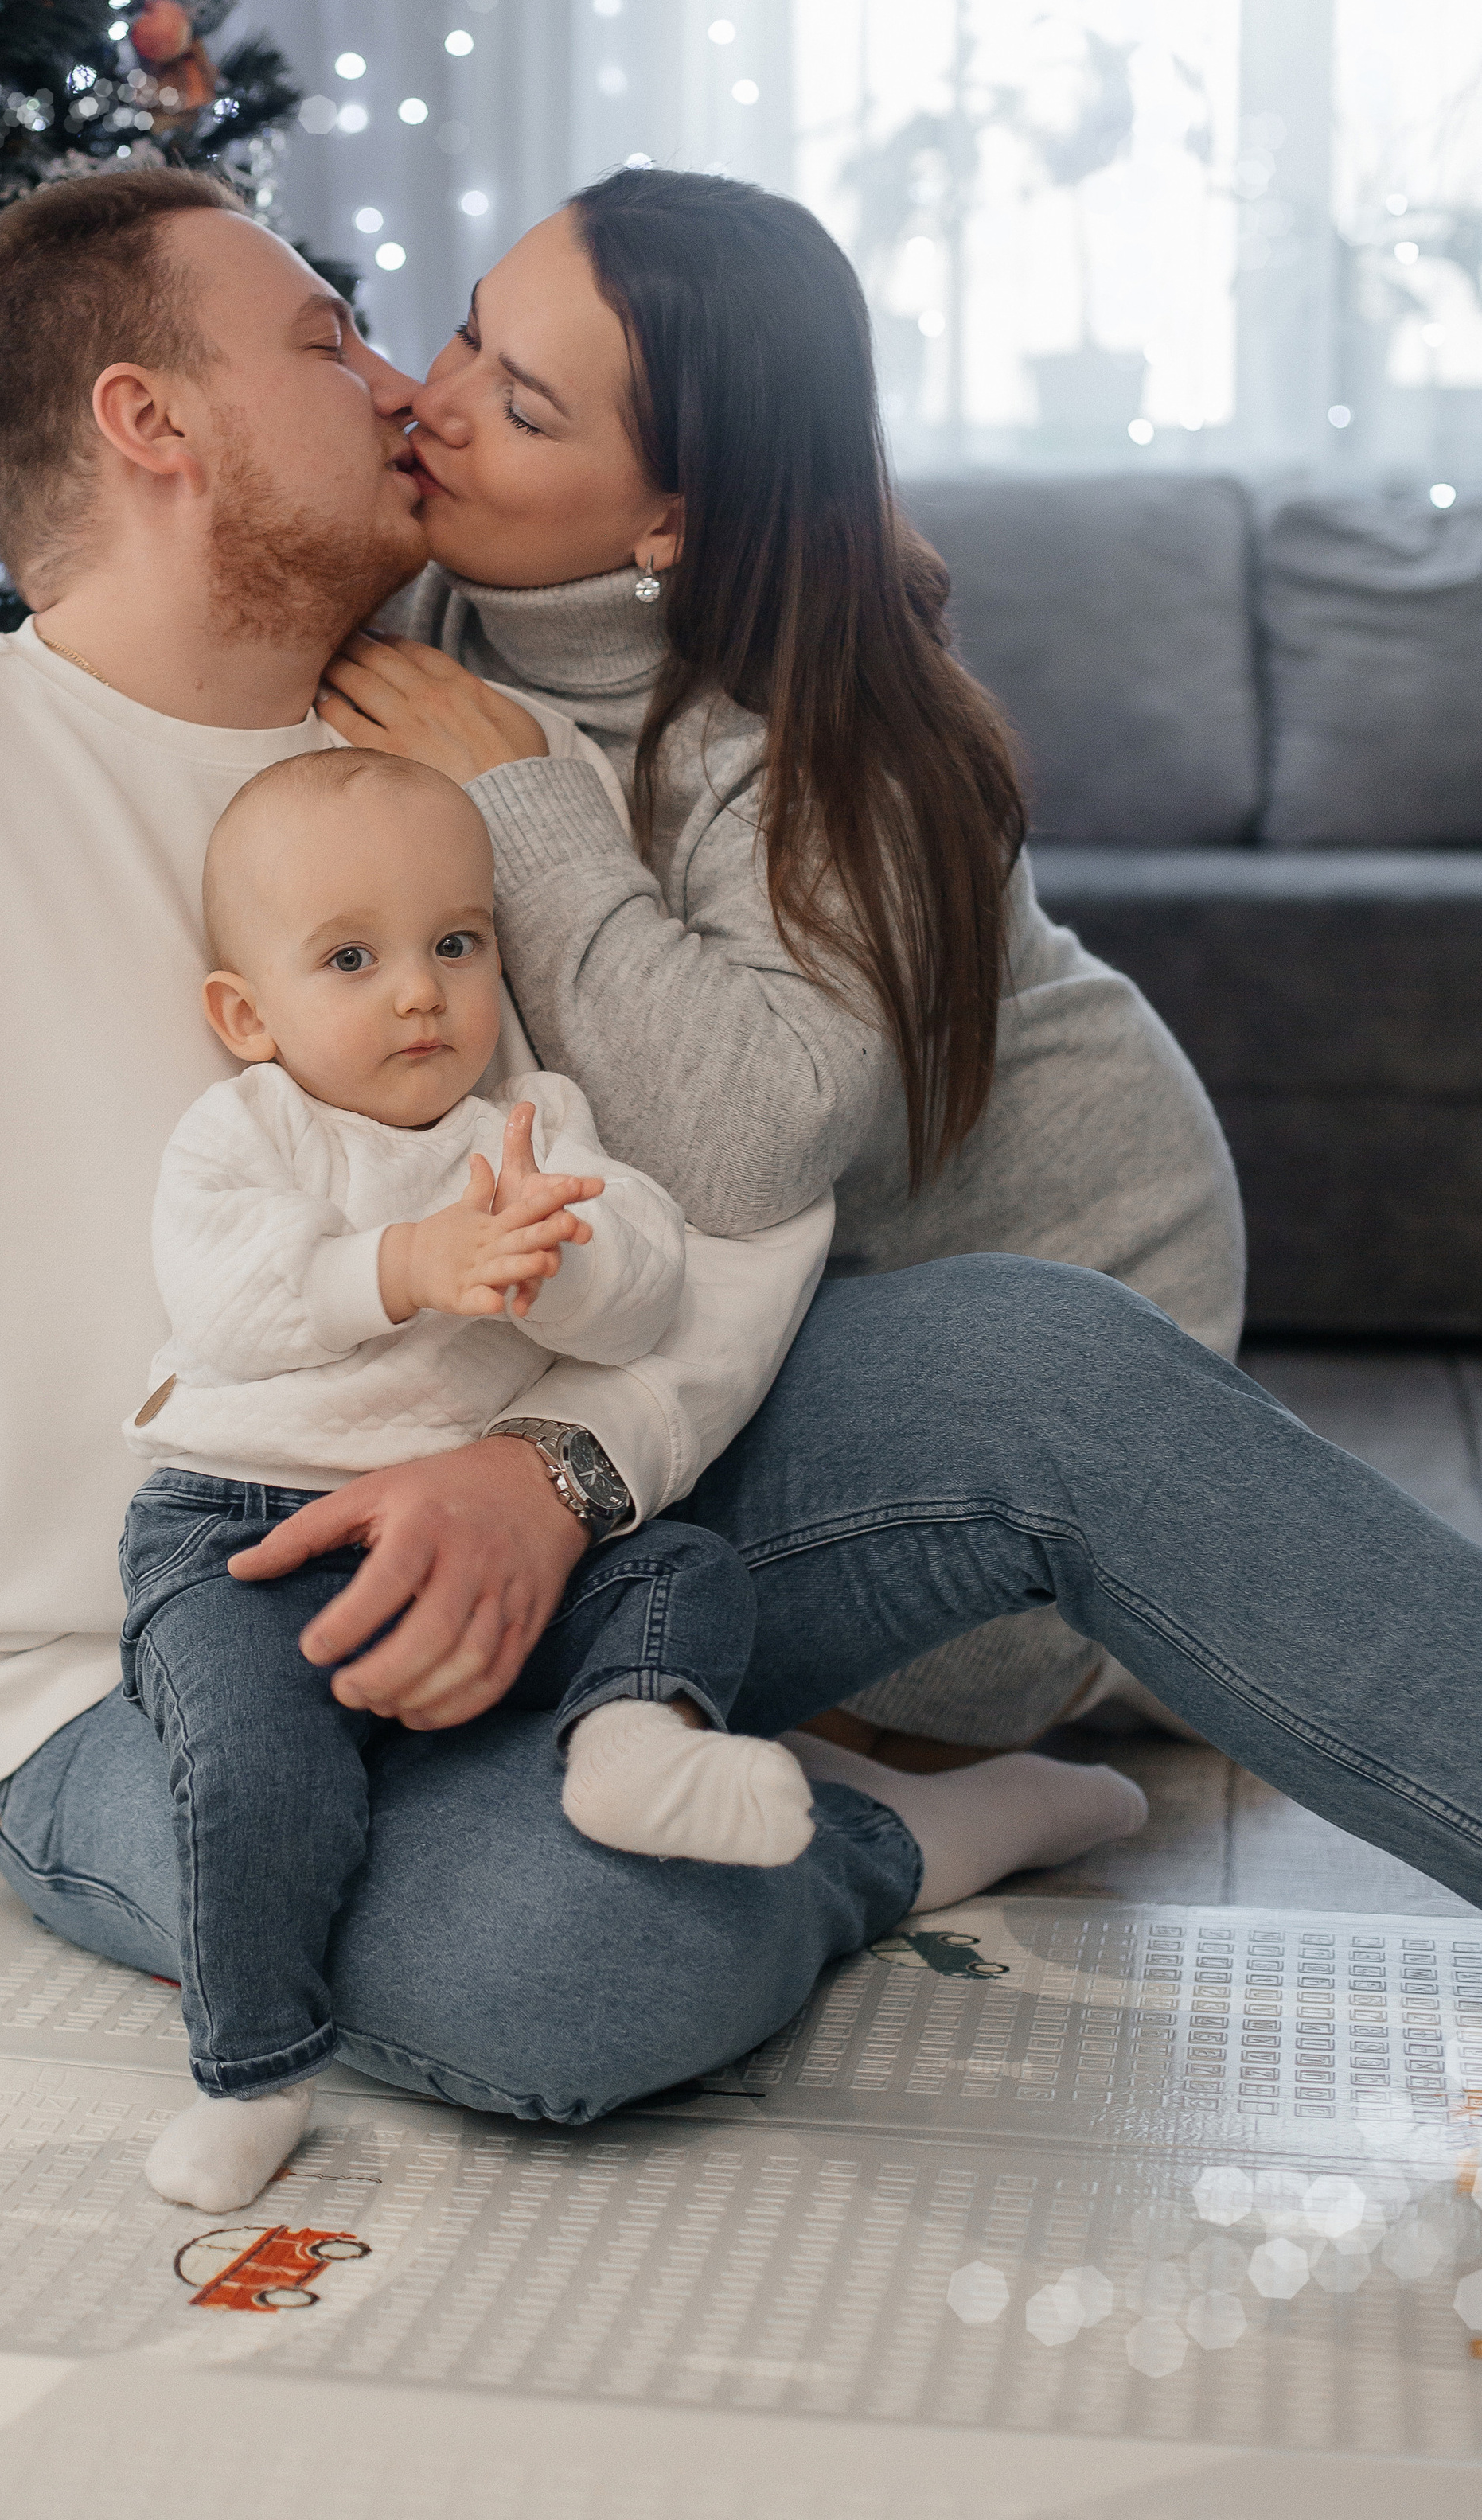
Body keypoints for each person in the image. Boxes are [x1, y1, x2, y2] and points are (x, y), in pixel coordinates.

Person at [0, 169, 1482, 2134]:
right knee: (577, 1969)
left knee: (1044, 1357)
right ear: (149, 423)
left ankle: (688, 1736)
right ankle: (880, 1829)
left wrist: (550, 1474)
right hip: (111, 1673)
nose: (400, 386)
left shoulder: (482, 753)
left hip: (565, 1538)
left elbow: (715, 1203)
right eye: (325, 339)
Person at [323, 167, 1242, 1759]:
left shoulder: (843, 752)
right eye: (465, 334)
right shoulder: (442, 586)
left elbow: (746, 1147)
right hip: (761, 1315)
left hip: (1040, 1316)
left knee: (608, 1700)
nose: (434, 405)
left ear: (669, 520)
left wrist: (523, 809)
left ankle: (1046, 1729)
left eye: (522, 408)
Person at [135, 745, 880, 2212]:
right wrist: (408, 1265)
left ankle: (631, 1744)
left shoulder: (528, 1126)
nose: (421, 994)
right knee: (252, 1770)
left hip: (478, 1550)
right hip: (248, 1531)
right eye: (353, 959)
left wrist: (560, 1265)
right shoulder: (251, 1130)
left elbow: (648, 1287)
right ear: (248, 1014)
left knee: (679, 1572)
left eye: (457, 945)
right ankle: (255, 2069)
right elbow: (227, 1298)